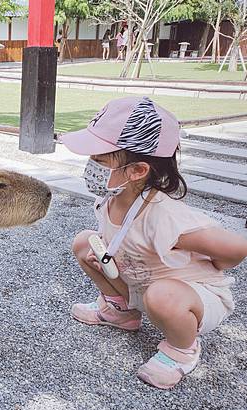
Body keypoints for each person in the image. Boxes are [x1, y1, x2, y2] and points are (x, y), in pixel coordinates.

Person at [61, 97, 247, 389]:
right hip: (142, 283)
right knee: (85, 243)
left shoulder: (164, 216)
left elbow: (237, 248)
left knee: (163, 296)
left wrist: (211, 267)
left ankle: (182, 349)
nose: (90, 167)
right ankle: (121, 312)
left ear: (137, 171)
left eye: (99, 160)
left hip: (187, 296)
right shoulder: (109, 196)